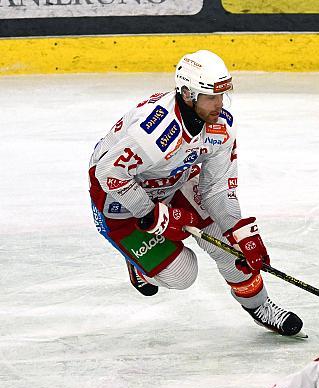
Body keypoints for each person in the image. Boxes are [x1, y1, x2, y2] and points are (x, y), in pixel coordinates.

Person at [88, 49, 303, 337]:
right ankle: (139, 266)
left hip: (173, 181)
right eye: (210, 97)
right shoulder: (156, 130)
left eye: (222, 95)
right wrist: (152, 215)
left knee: (229, 246)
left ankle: (261, 307)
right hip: (120, 201)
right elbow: (108, 173)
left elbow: (216, 187)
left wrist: (239, 232)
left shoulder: (221, 126)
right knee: (182, 275)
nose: (219, 104)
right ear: (187, 94)